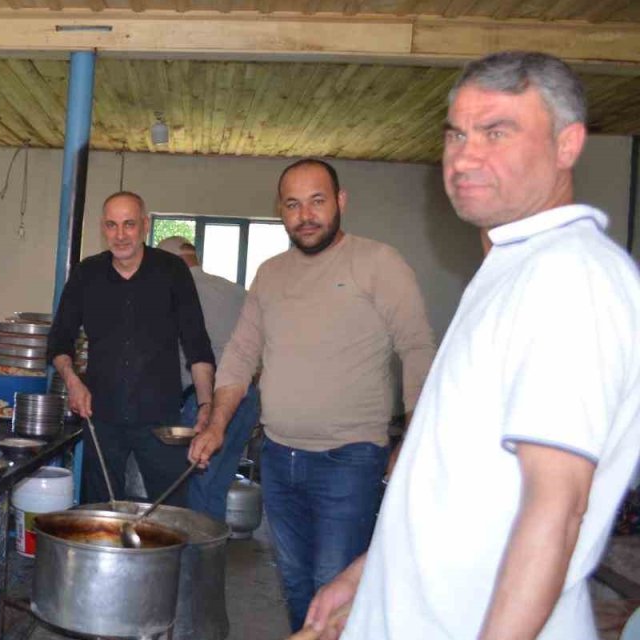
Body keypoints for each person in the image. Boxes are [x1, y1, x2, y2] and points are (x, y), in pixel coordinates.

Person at [307, 51, 640, 640]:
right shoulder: (510, 270)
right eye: (457, 133)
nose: (465, 155)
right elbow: (460, 481)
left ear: (568, 145)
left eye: (497, 131)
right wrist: (367, 576)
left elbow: (556, 511)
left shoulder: (569, 276)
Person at [188, 158, 437, 632]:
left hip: (350, 459)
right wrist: (217, 424)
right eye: (293, 204)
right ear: (280, 211)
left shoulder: (378, 263)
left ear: (341, 202)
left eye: (317, 201)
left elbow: (417, 348)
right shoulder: (270, 274)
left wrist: (414, 437)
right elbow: (240, 355)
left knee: (335, 589)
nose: (306, 215)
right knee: (297, 584)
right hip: (279, 459)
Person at [49, 192, 215, 507]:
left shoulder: (172, 272)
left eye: (129, 224)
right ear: (103, 228)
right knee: (99, 508)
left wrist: (206, 405)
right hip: (101, 414)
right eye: (112, 225)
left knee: (170, 509)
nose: (121, 235)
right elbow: (59, 340)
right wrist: (73, 382)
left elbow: (197, 345)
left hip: (160, 416)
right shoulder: (87, 274)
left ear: (145, 225)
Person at [156, 236, 256, 522]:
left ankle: (192, 556)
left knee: (194, 483)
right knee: (218, 484)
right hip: (246, 399)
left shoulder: (174, 292)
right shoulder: (237, 291)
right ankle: (210, 556)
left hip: (204, 403)